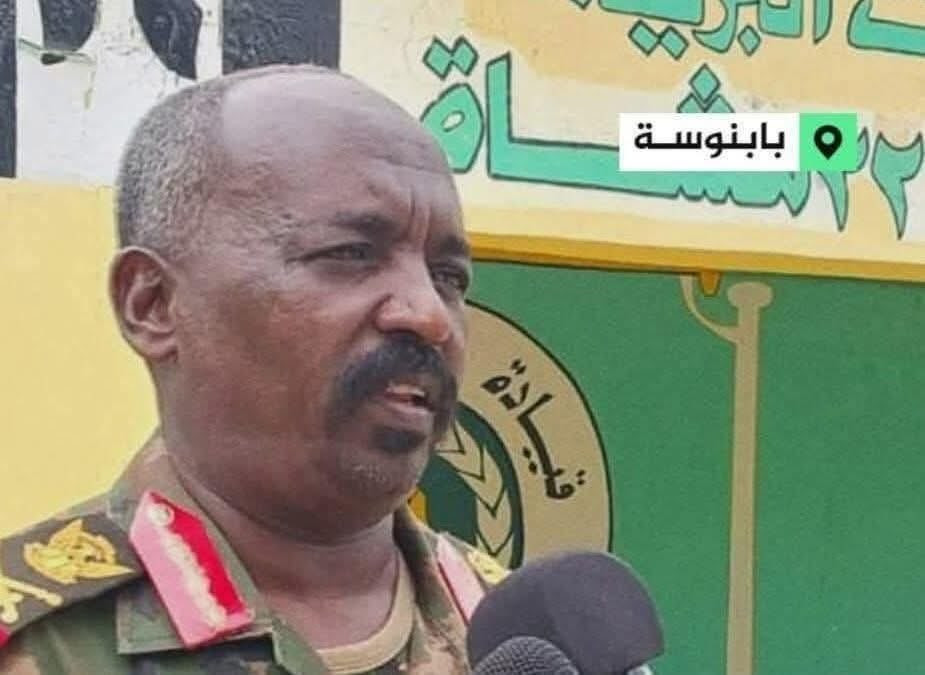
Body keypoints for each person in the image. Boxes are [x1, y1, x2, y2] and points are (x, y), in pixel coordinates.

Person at [0, 64, 508, 674]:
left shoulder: (516, 636)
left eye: (448, 277)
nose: (429, 314)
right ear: (153, 304)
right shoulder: (40, 645)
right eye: (350, 254)